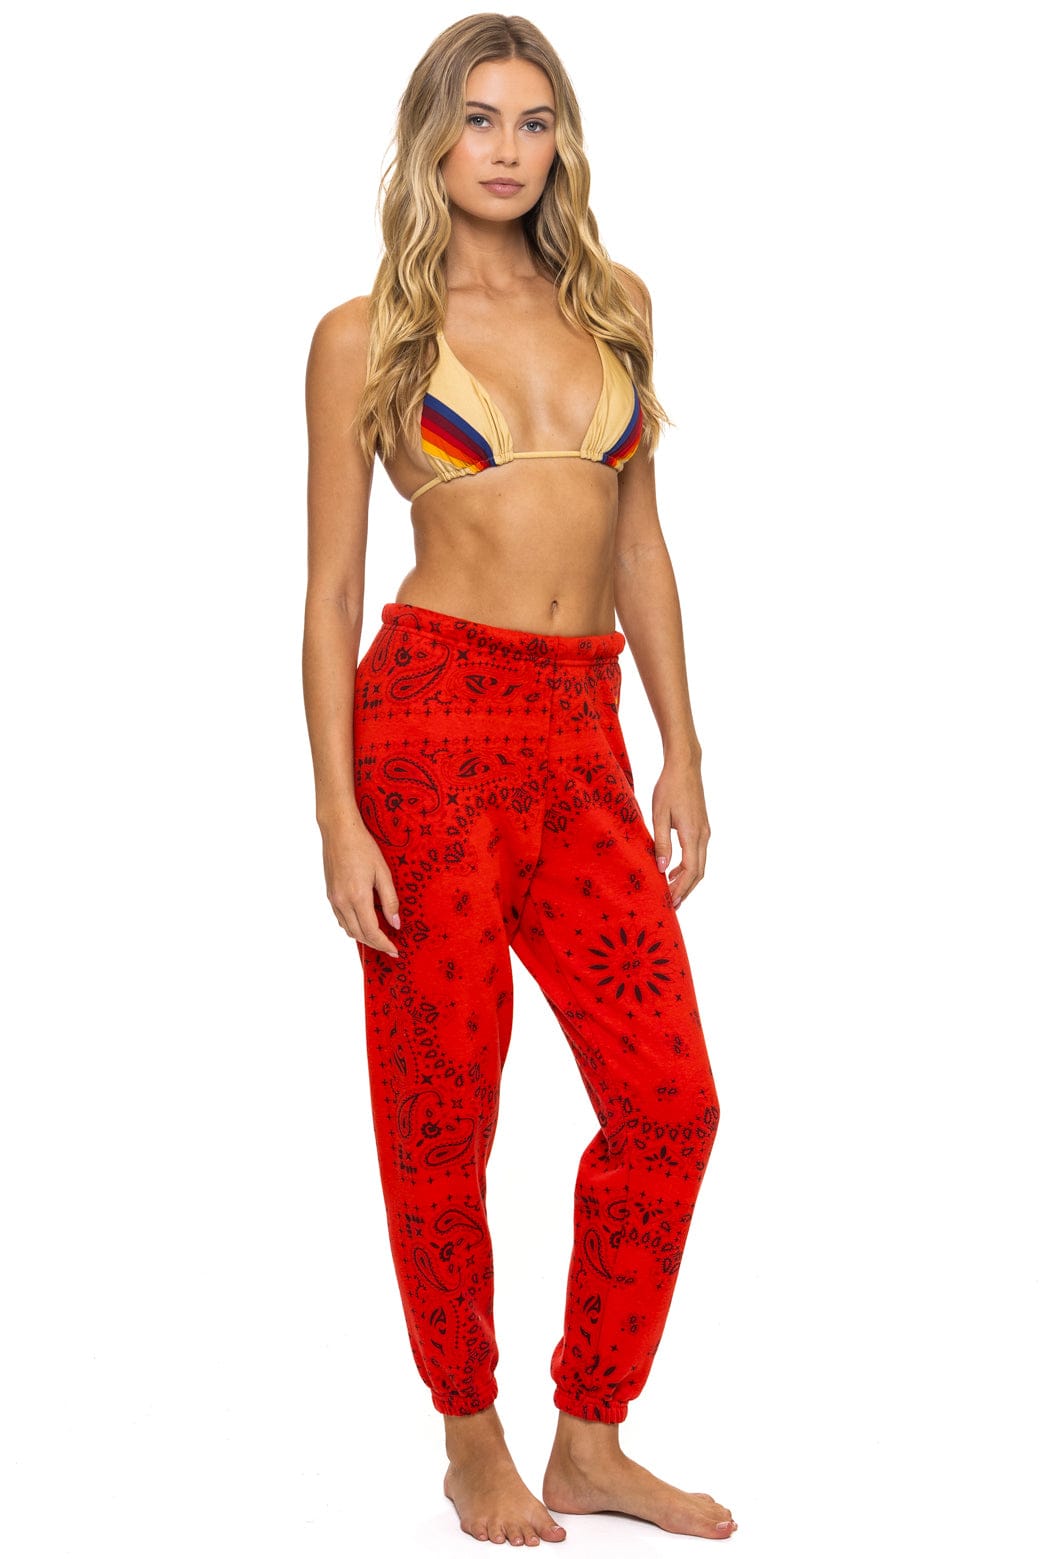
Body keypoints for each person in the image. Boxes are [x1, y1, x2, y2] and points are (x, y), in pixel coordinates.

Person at [302, 13, 736, 1546]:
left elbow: (641, 546)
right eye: (479, 119)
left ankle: (590, 1438)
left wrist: (682, 746)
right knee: (444, 1109)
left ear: (563, 143)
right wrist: (337, 811)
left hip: (582, 734)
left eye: (533, 121)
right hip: (429, 731)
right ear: (433, 139)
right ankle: (469, 1439)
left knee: (670, 1102)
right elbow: (330, 590)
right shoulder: (368, 334)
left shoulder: (615, 306)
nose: (507, 148)